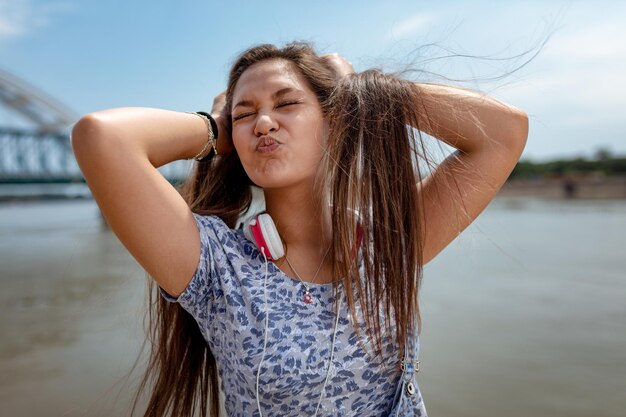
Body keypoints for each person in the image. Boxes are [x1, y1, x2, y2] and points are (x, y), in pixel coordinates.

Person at [71, 42, 528, 417]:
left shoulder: (388, 247)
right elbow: (102, 138)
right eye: (245, 114)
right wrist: (215, 129)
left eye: (287, 103)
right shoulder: (217, 269)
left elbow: (504, 132)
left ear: (334, 123)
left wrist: (354, 92)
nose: (264, 122)